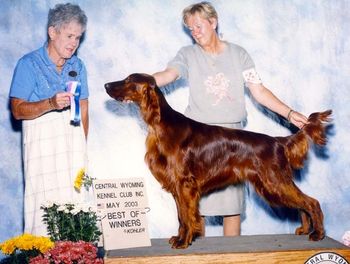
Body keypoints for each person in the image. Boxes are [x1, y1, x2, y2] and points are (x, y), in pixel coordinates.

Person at [153, 1, 308, 237]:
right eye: (190, 29)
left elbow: (259, 91)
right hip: (198, 142)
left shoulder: (239, 54)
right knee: (195, 205)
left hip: (234, 141)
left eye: (198, 26)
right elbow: (168, 75)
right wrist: (141, 83)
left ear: (213, 22)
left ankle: (233, 256)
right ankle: (199, 256)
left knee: (232, 209)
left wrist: (288, 112)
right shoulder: (187, 54)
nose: (194, 32)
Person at [9, 3, 89, 236]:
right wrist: (50, 104)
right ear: (52, 33)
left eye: (78, 37)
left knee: (77, 200)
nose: (74, 43)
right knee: (43, 205)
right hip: (41, 144)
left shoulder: (78, 65)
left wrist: (83, 145)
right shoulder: (28, 64)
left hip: (72, 144)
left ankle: (77, 251)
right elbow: (17, 110)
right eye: (69, 35)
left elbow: (83, 106)